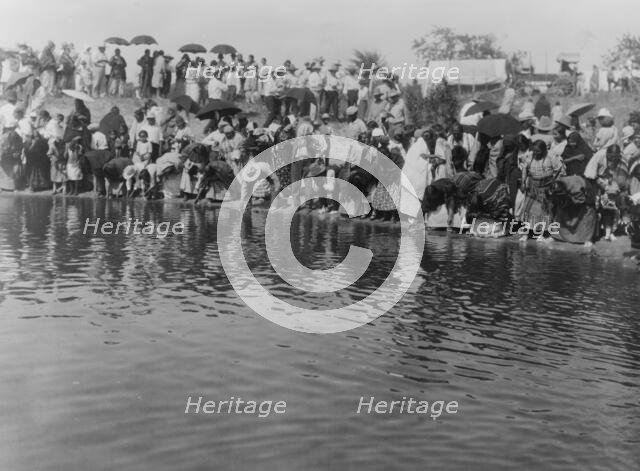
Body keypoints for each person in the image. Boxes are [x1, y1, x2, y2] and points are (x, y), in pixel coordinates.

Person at [518, 139, 566, 241]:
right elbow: (524, 170)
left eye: (538, 151)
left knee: (544, 211)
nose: (536, 153)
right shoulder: (529, 156)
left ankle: (542, 234)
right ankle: (527, 233)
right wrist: (523, 182)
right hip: (532, 187)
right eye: (534, 151)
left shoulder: (552, 157)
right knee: (528, 210)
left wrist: (555, 182)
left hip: (546, 187)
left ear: (544, 150)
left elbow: (560, 170)